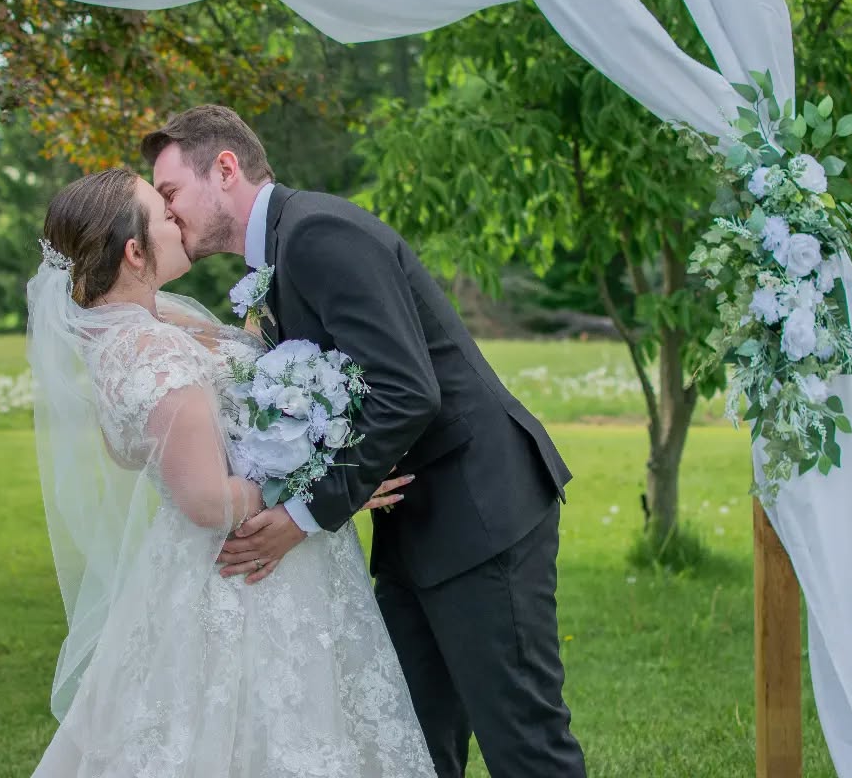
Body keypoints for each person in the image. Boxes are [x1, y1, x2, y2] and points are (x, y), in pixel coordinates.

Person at [145, 105, 586, 778]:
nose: (168, 212)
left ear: (225, 169)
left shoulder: (317, 232)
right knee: (409, 745)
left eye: (171, 192)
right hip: (415, 525)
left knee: (524, 743)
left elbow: (408, 389)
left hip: (480, 511)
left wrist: (303, 514)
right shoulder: (284, 251)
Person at [26, 166, 435, 778]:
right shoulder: (152, 351)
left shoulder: (139, 326)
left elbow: (131, 448)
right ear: (135, 252)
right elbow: (206, 500)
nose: (176, 217)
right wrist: (331, 481)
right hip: (242, 572)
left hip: (208, 562)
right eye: (162, 213)